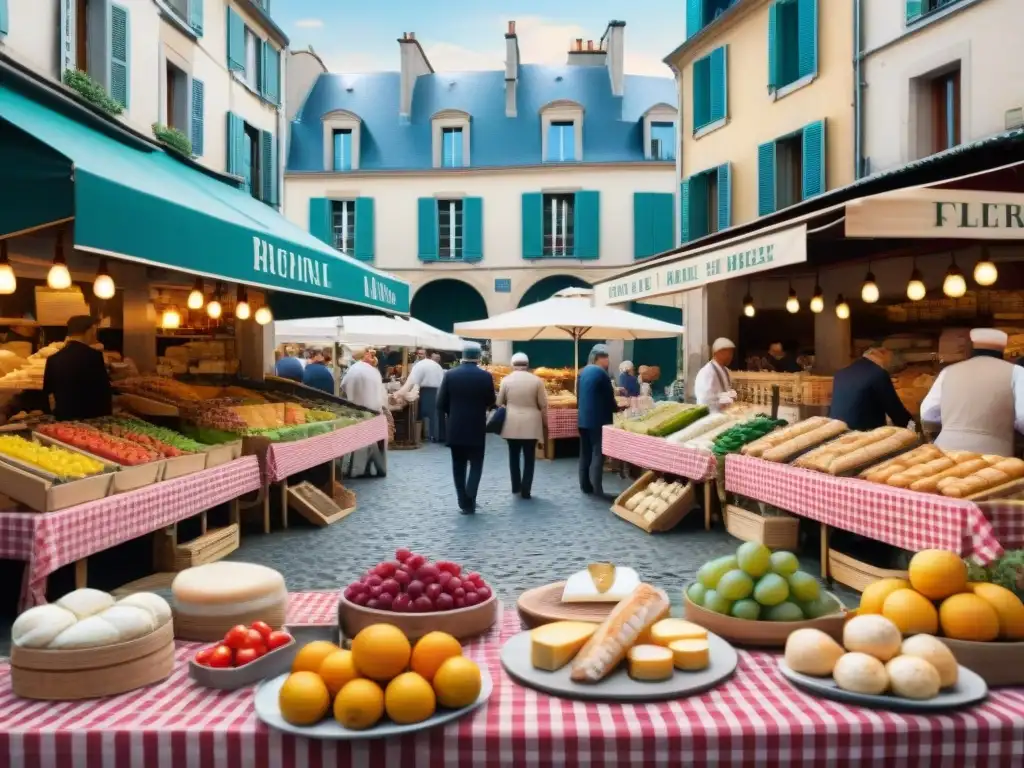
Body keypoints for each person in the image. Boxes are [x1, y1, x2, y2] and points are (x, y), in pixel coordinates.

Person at [920, 328, 1024, 455]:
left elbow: (927, 415)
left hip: (945, 450)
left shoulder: (948, 371)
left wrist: (954, 425)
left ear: (972, 350)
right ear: (1001, 351)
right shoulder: (1016, 372)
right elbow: (1022, 418)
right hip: (993, 453)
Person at [436, 342, 495, 514]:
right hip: (477, 426)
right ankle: (471, 494)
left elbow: (440, 403)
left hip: (456, 426)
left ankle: (463, 502)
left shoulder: (450, 375)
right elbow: (491, 400)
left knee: (458, 465)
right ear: (478, 357)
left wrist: (452, 412)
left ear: (463, 357)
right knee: (477, 464)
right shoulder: (486, 376)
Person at [42, 315, 112, 421]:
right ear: (91, 330)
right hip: (90, 419)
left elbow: (48, 392)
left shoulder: (53, 359)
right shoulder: (93, 356)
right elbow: (103, 393)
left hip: (63, 418)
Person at [497, 352, 547, 499]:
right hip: (531, 424)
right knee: (529, 457)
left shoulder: (506, 380)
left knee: (513, 456)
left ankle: (515, 486)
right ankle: (526, 490)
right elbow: (542, 404)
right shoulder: (537, 380)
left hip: (511, 423)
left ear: (512, 364)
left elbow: (499, 402)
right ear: (527, 364)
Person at [829, 347, 912, 431]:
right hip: (864, 432)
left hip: (837, 429)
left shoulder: (841, 373)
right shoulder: (878, 374)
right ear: (880, 354)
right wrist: (912, 425)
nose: (889, 364)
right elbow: (895, 409)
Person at [577, 344, 617, 497]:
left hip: (582, 419)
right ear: (599, 358)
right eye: (606, 357)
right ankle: (596, 488)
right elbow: (609, 397)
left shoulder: (582, 372)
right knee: (597, 453)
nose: (608, 361)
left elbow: (579, 397)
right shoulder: (602, 374)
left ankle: (585, 486)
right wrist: (617, 409)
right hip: (598, 420)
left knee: (585, 453)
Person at [340, 346, 387, 477]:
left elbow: (344, 386)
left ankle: (357, 470)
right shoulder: (374, 372)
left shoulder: (353, 370)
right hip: (375, 410)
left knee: (361, 441)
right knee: (373, 441)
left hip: (358, 409)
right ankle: (376, 468)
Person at [397, 348, 445, 442]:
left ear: (425, 354)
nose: (419, 355)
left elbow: (411, 381)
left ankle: (419, 436)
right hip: (438, 391)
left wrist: (399, 393)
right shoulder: (437, 365)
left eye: (421, 354)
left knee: (421, 414)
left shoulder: (420, 365)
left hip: (426, 391)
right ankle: (437, 436)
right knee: (435, 415)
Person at [694, 338, 737, 412]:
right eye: (729, 353)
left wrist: (731, 395)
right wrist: (722, 401)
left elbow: (726, 391)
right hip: (710, 416)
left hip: (726, 414)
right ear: (719, 352)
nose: (731, 356)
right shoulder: (706, 372)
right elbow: (704, 400)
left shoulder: (726, 371)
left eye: (732, 353)